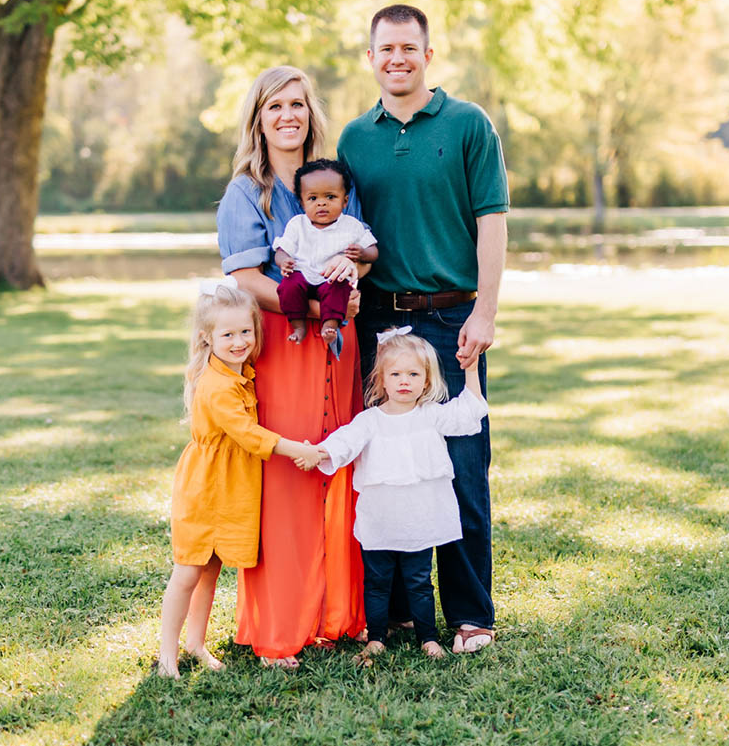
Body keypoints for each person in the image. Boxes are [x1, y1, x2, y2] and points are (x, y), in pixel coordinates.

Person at [337, 4, 508, 654]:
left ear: (428, 55)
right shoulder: (355, 138)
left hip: (449, 317)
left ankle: (470, 615)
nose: (397, 58)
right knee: (388, 466)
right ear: (371, 57)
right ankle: (404, 612)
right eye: (385, 49)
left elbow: (491, 220)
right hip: (379, 322)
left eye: (409, 47)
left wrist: (485, 311)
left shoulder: (468, 125)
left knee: (460, 467)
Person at [216, 65, 368, 667]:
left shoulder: (333, 180)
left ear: (312, 114)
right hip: (283, 343)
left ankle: (339, 615)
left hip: (339, 343)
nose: (288, 116)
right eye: (274, 106)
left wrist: (354, 282)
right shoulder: (244, 193)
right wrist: (313, 303)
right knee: (287, 475)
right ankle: (281, 624)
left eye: (298, 105)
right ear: (258, 117)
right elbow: (247, 278)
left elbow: (359, 247)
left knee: (341, 467)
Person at [156, 280, 325, 679]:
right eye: (227, 334)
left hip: (230, 486)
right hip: (206, 489)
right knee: (187, 571)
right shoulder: (217, 386)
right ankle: (167, 654)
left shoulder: (240, 372)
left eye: (245, 331)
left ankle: (195, 642)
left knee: (210, 570)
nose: (238, 341)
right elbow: (249, 435)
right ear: (207, 338)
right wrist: (298, 449)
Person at [301, 327, 487, 662]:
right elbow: (344, 442)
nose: (405, 381)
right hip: (380, 519)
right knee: (377, 582)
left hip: (419, 520)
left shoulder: (431, 416)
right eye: (396, 374)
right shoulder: (370, 420)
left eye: (414, 374)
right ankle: (376, 637)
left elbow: (468, 413)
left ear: (426, 381)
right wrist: (319, 453)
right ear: (382, 380)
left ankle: (428, 638)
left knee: (419, 581)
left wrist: (471, 370)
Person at [273, 158, 379, 346]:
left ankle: (330, 325)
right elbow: (281, 250)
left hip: (331, 278)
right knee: (288, 287)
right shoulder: (297, 225)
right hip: (302, 274)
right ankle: (298, 326)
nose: (321, 204)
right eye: (313, 198)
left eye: (330, 197)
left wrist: (362, 253)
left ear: (345, 200)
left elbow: (373, 251)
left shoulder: (351, 226)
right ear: (302, 202)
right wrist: (284, 261)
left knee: (340, 289)